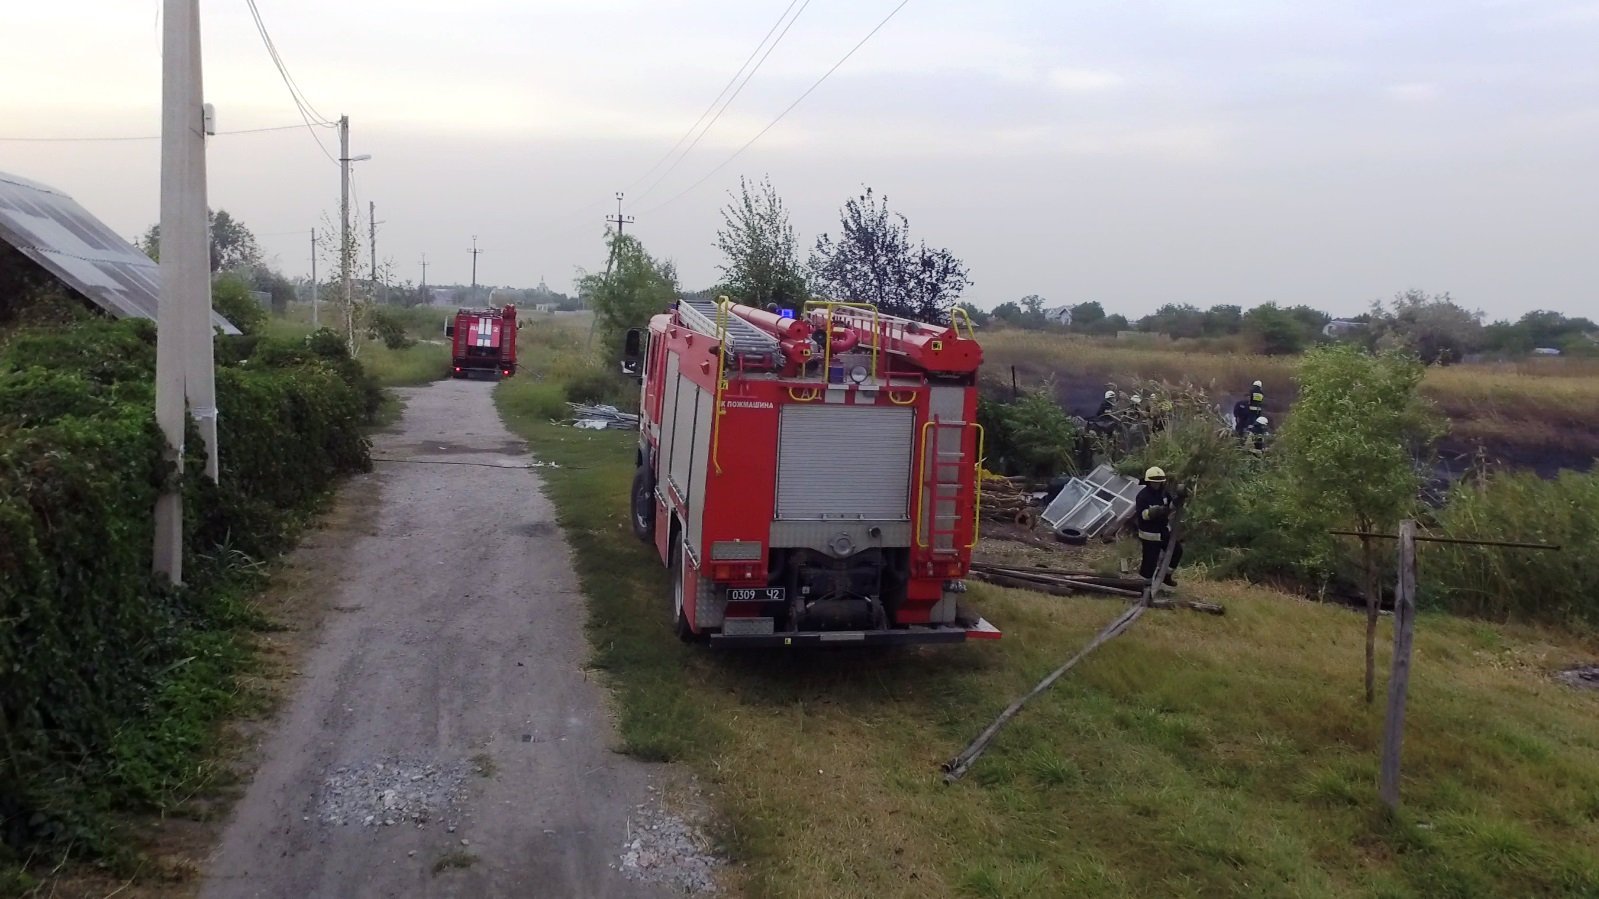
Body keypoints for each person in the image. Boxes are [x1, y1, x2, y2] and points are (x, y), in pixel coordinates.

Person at [1134, 466, 1184, 586]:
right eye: (1154, 482)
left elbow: (1170, 507)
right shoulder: (1143, 496)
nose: (1157, 485)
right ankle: (1144, 586)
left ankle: (1166, 576)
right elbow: (1143, 515)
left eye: (1159, 482)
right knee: (1149, 562)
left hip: (1163, 531)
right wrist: (1154, 512)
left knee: (1177, 551)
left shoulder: (1164, 493)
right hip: (1149, 535)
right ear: (1148, 482)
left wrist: (1177, 500)